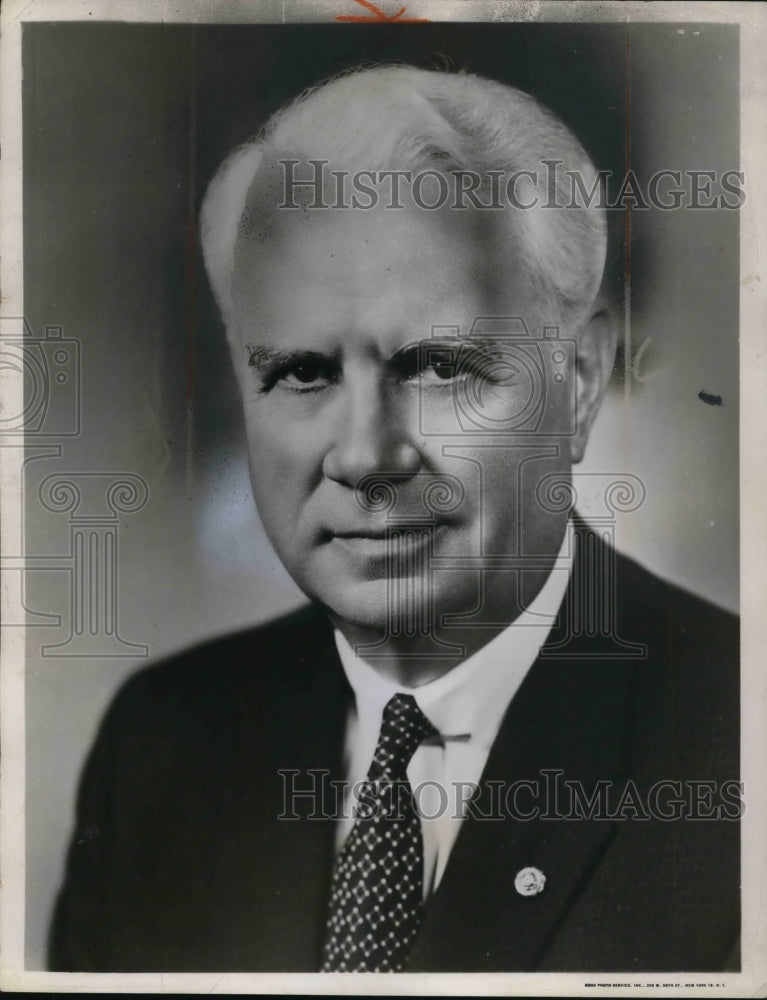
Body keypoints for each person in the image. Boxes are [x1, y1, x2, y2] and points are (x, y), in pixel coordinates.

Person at [49, 65, 739, 973]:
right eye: (302, 374)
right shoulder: (163, 745)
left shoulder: (736, 740)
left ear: (574, 384)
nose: (366, 456)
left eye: (438, 367)